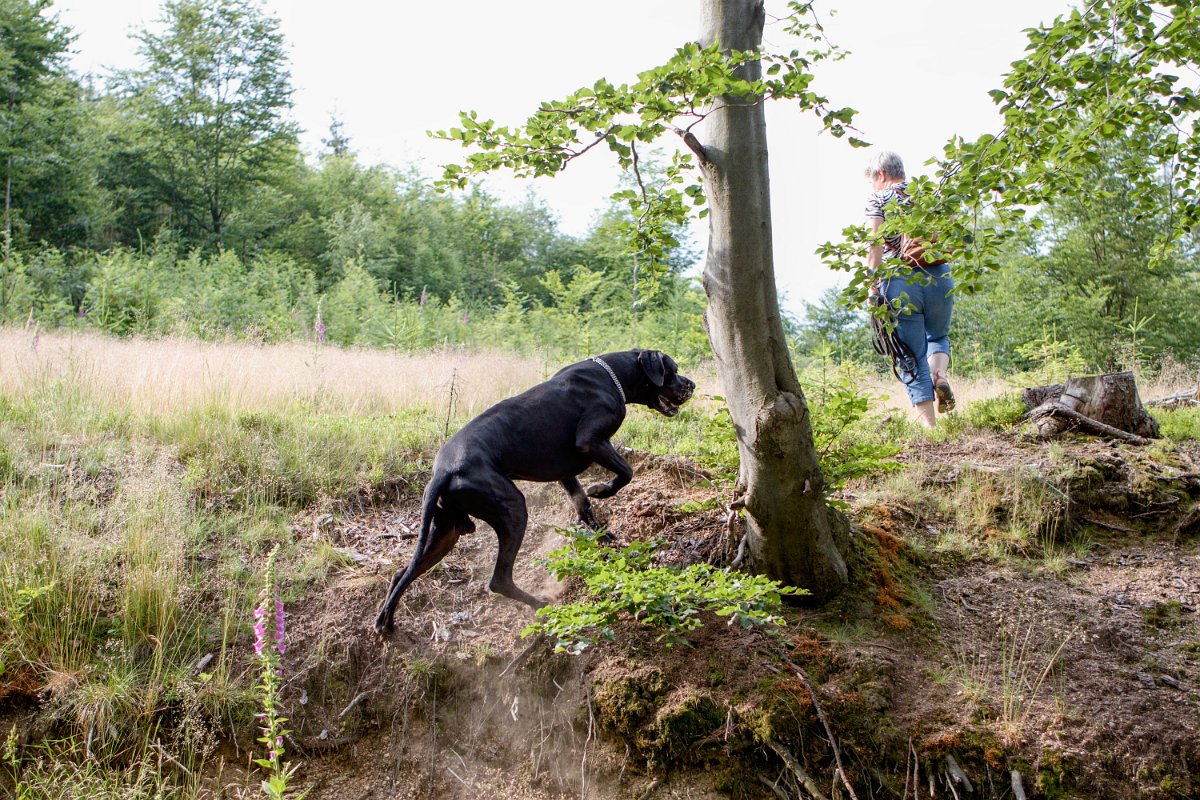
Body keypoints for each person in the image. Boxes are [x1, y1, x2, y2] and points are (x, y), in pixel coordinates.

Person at [864, 150, 955, 428]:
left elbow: (874, 246)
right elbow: (952, 233)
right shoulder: (930, 193)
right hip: (939, 274)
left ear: (881, 175)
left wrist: (872, 288)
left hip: (900, 281)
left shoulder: (879, 199)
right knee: (938, 335)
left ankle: (930, 429)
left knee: (909, 355)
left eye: (873, 181)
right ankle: (939, 374)